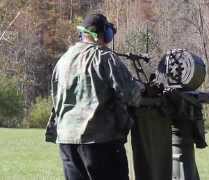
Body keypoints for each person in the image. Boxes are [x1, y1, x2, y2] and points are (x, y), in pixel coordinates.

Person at [45, 13, 143, 180]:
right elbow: (131, 95)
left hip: (66, 141)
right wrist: (140, 87)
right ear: (103, 35)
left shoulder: (63, 60)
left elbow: (55, 98)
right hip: (100, 142)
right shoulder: (105, 57)